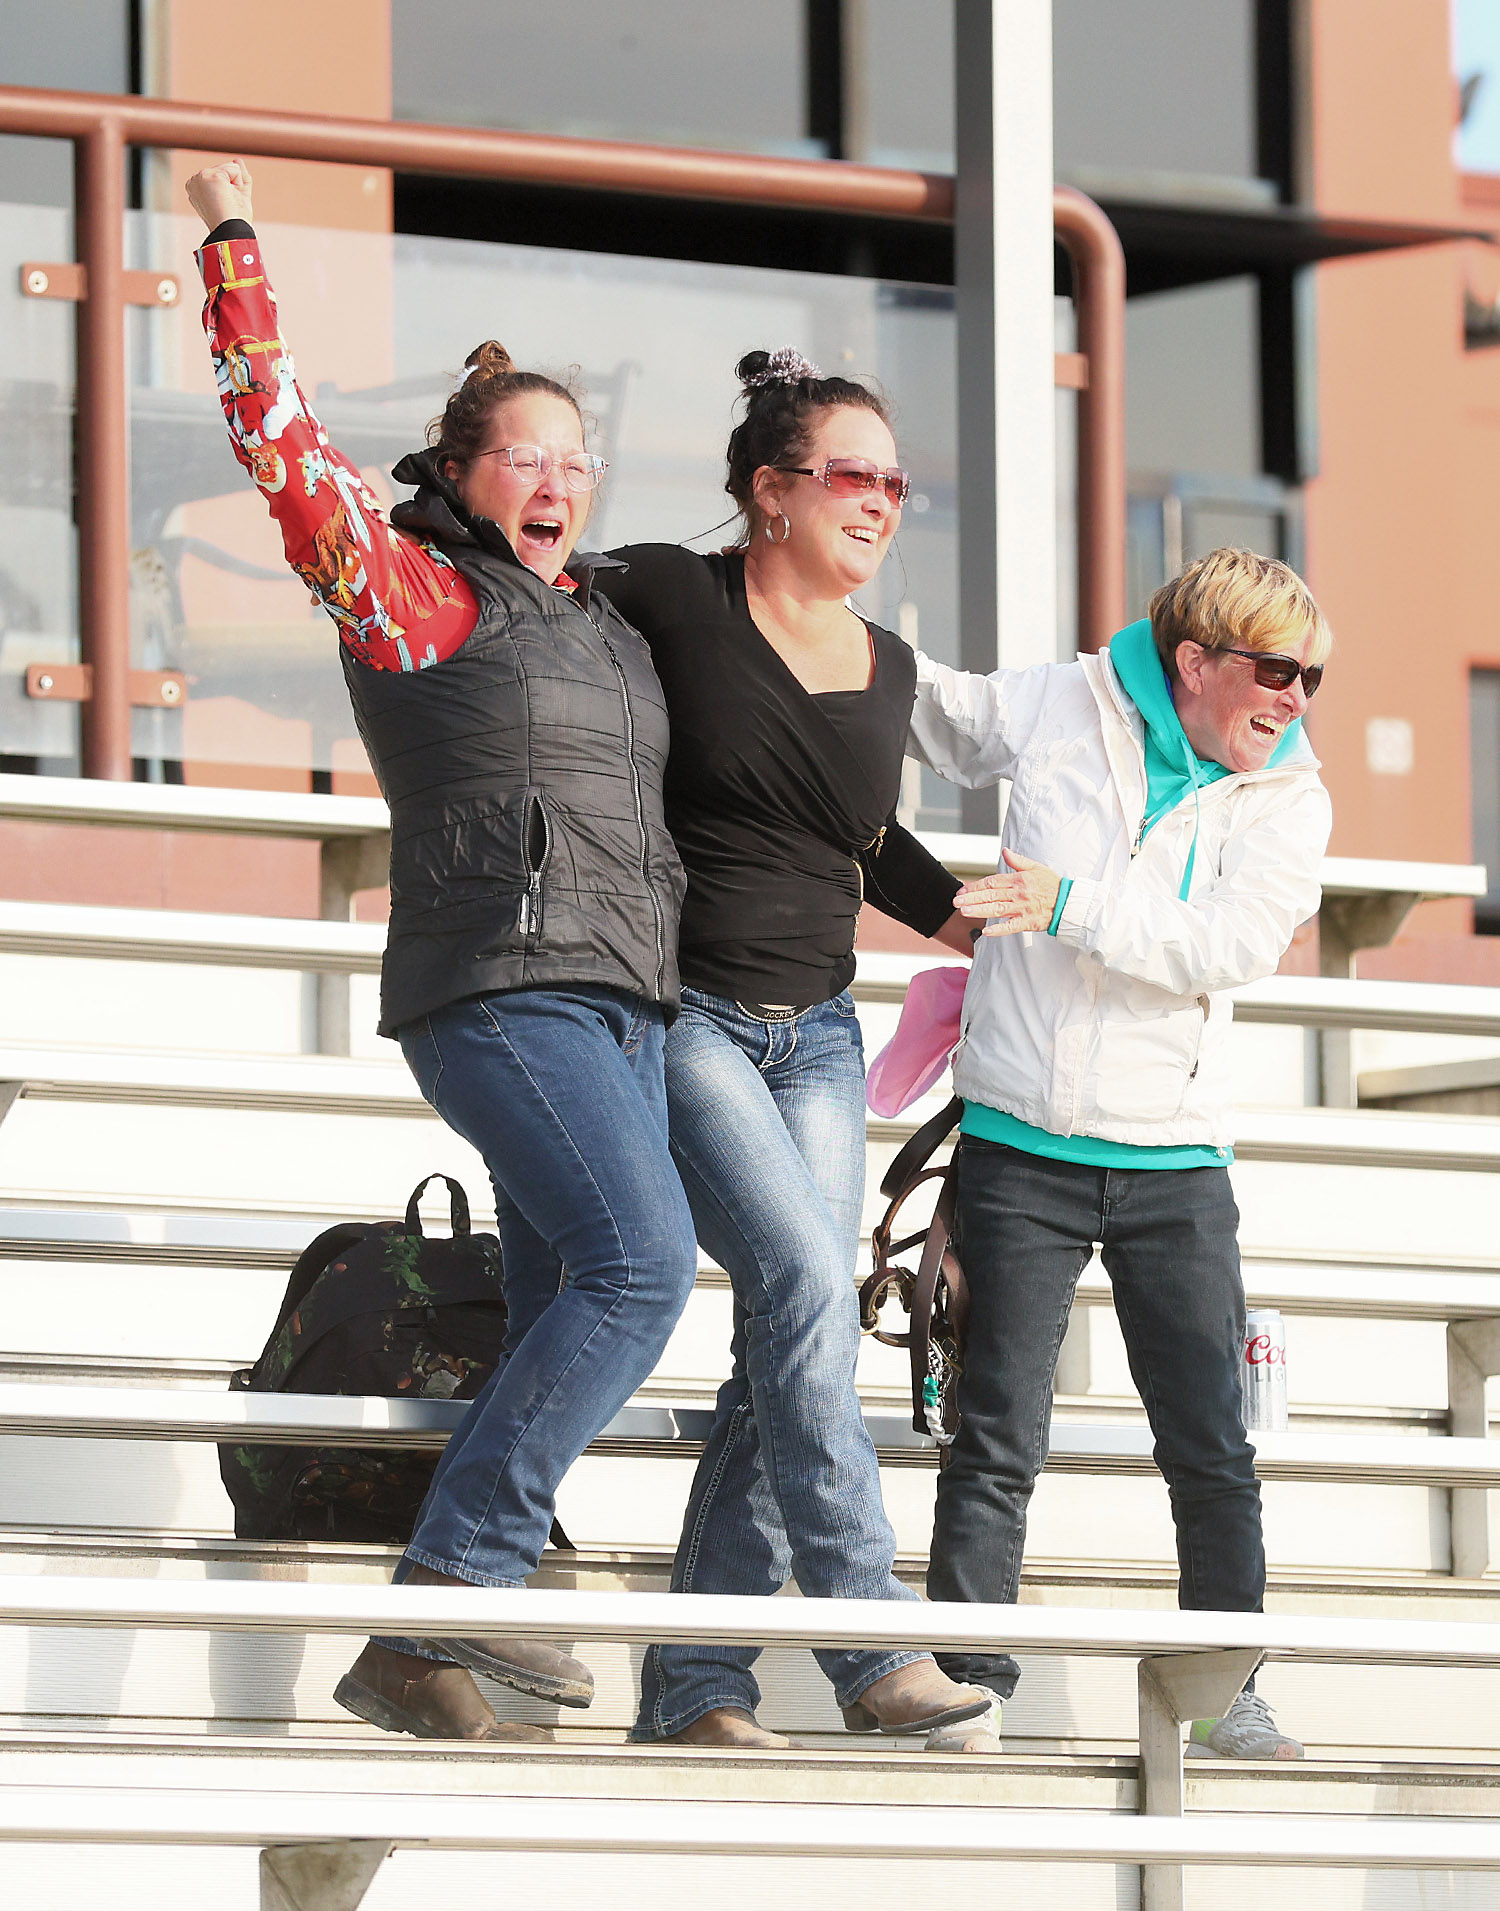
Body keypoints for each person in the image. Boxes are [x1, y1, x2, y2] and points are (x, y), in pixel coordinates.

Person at [187, 160, 699, 1744]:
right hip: (503, 982)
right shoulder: (411, 593)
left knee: (570, 1289)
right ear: (465, 473)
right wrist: (230, 247)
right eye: (523, 455)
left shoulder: (611, 622)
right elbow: (277, 445)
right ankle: (445, 1594)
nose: (556, 477)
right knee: (641, 1265)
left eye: (576, 456)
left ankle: (489, 1603)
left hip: (623, 999)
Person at [593, 350, 992, 1750]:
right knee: (812, 1284)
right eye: (853, 475)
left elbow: (857, 833)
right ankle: (870, 1640)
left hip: (820, 1032)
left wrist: (960, 914)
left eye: (897, 481)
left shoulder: (886, 667)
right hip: (684, 1015)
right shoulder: (667, 595)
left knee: (796, 1325)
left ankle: (694, 1683)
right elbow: (509, 595)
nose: (883, 501)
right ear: (771, 492)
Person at [908, 548, 1333, 1760]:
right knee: (997, 1430)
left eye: (1312, 681)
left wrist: (1067, 905)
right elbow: (928, 709)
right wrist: (790, 599)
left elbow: (1225, 946)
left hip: (1175, 1160)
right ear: (1195, 663)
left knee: (1210, 1442)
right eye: (1276, 670)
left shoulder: (1291, 799)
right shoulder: (1060, 702)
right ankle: (967, 1687)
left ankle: (1223, 1693)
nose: (1294, 700)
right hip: (1015, 1146)